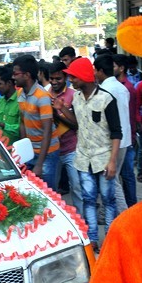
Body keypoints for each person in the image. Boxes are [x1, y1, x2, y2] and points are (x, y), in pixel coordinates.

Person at [57, 57, 122, 252]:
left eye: (73, 77)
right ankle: (92, 238)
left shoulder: (107, 99)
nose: (71, 81)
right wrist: (62, 111)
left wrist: (112, 162)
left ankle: (110, 238)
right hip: (83, 158)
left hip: (103, 159)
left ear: (84, 77)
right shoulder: (76, 98)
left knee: (108, 200)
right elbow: (77, 122)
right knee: (88, 199)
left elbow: (117, 132)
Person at [95, 54, 136, 209]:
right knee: (113, 178)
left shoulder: (105, 90)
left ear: (100, 71)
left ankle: (124, 215)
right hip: (123, 140)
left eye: (95, 70)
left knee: (111, 180)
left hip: (112, 140)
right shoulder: (122, 87)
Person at [12, 54, 59, 191]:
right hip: (31, 151)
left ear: (26, 75)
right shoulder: (20, 93)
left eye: (16, 74)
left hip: (48, 153)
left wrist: (39, 163)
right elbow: (22, 122)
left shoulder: (42, 96)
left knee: (49, 193)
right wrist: (23, 150)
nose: (13, 77)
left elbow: (47, 131)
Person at [48, 62, 82, 216]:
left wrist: (57, 113)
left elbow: (76, 124)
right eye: (51, 79)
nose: (54, 82)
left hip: (71, 149)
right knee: (51, 190)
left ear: (66, 78)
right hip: (52, 151)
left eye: (58, 79)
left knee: (76, 187)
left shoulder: (74, 95)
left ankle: (82, 221)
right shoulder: (45, 95)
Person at [0, 66, 21, 144]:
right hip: (1, 149)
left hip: (17, 151)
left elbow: (22, 130)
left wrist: (2, 125)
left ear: (9, 83)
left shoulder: (21, 101)